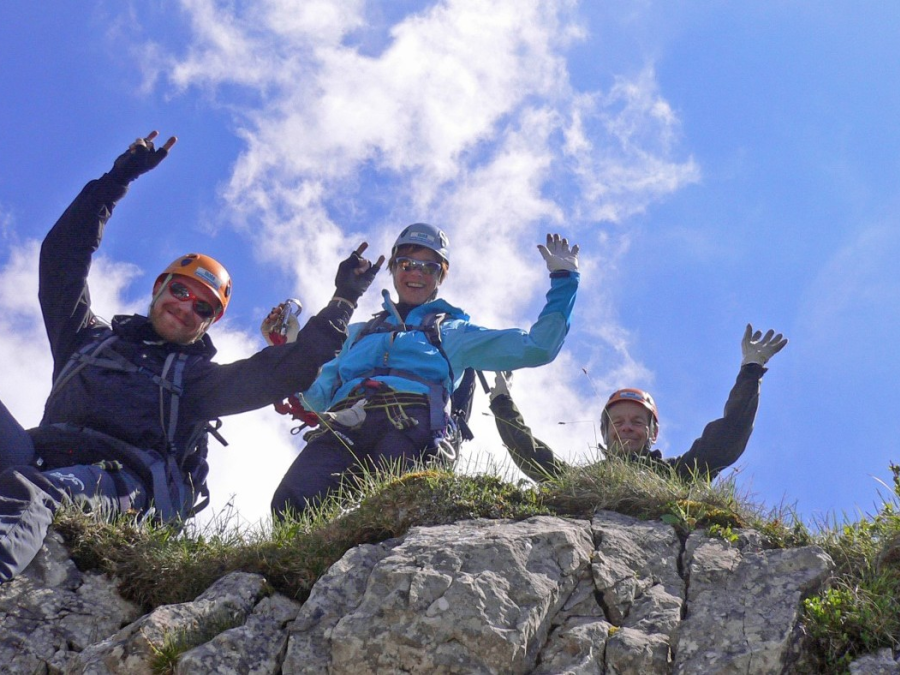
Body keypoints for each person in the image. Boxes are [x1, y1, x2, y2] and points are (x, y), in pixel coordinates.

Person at [0, 131, 380, 582]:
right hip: (37, 452)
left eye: (203, 307)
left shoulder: (195, 381)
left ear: (209, 323)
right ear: (159, 287)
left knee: (32, 492)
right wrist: (117, 180)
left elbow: (291, 368)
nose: (185, 307)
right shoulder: (85, 340)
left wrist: (343, 300)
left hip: (120, 482)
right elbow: (62, 257)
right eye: (179, 290)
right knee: (28, 479)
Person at [268, 224, 580, 517]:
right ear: (393, 269)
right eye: (406, 264)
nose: (416, 273)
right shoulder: (357, 334)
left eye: (429, 267)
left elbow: (538, 347)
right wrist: (289, 348)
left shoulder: (455, 332)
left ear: (441, 276)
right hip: (344, 424)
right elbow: (315, 399)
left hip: (409, 425)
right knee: (291, 502)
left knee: (395, 510)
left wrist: (564, 280)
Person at [489, 324, 788, 482]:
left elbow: (729, 437)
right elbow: (531, 456)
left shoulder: (678, 474)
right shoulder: (586, 481)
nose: (627, 428)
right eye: (617, 423)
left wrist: (751, 371)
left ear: (653, 432)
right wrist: (502, 403)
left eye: (637, 422)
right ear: (604, 433)